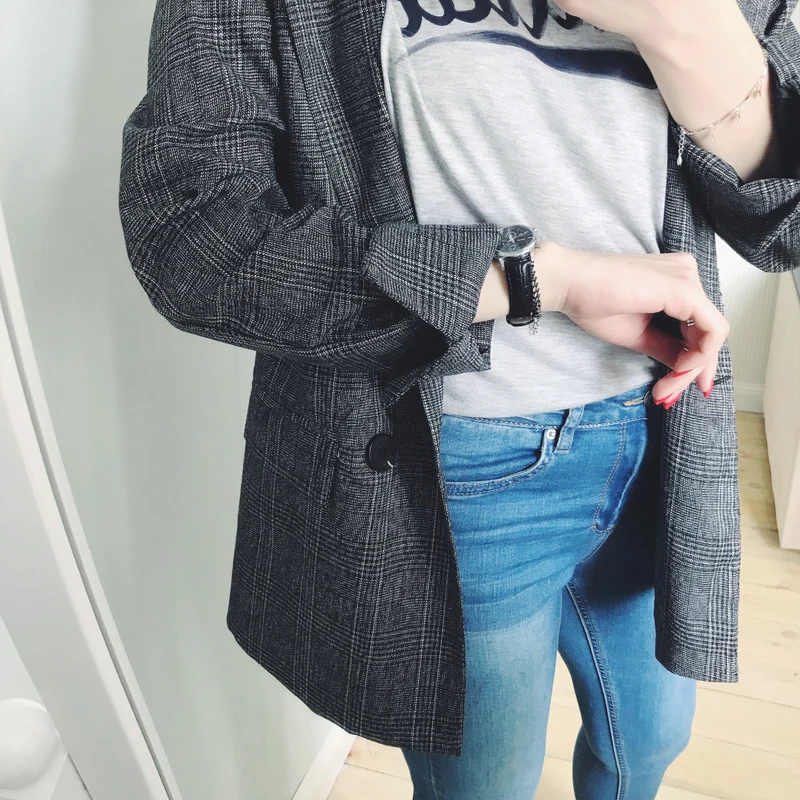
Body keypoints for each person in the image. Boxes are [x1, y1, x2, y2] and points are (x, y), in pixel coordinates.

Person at [118, 1, 800, 797]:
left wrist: (680, 23)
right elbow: (194, 237)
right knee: (487, 785)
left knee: (648, 747)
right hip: (453, 468)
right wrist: (534, 276)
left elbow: (783, 225)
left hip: (668, 432)